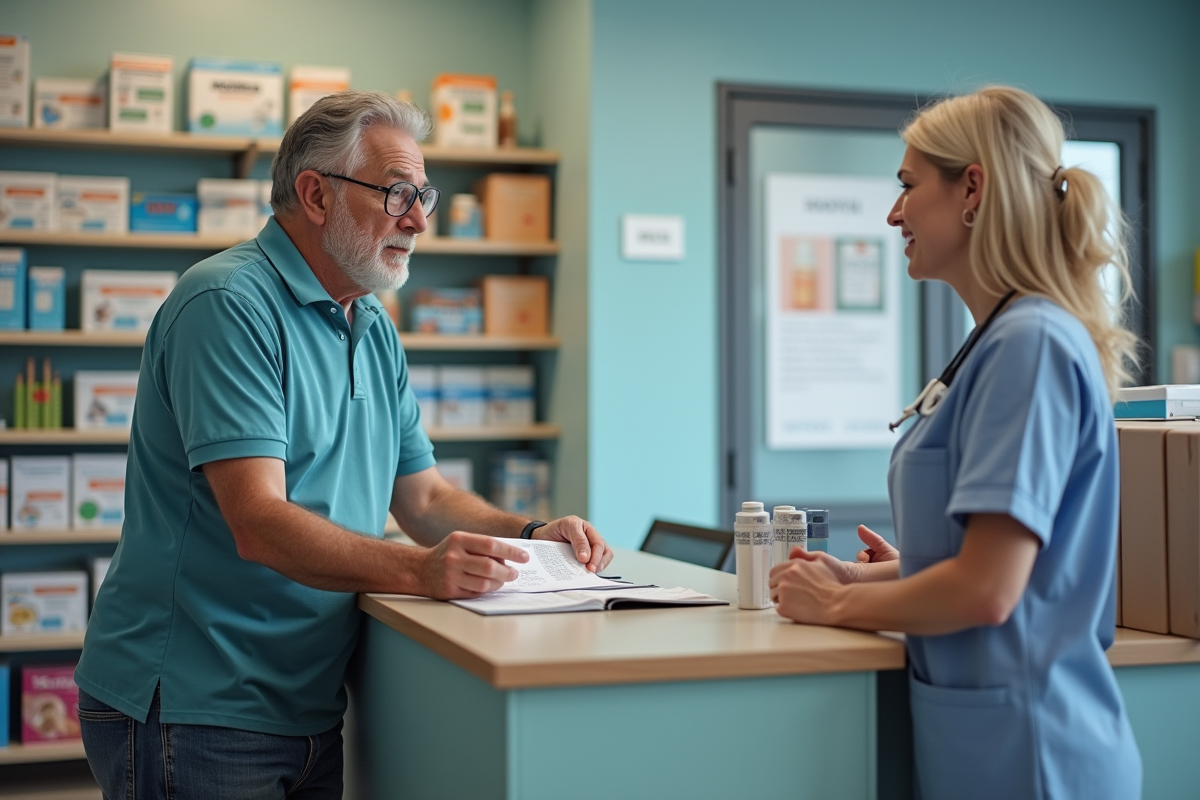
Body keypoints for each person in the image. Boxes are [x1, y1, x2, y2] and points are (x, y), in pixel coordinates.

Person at [75, 91, 612, 800]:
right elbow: (258, 523)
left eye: (424, 196)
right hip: (197, 701)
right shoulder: (229, 305)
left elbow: (424, 497)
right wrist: (422, 572)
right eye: (396, 194)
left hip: (305, 703)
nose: (418, 220)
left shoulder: (371, 323)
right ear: (315, 195)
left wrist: (530, 536)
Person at [770, 86, 1142, 800]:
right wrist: (864, 578)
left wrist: (837, 605)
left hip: (1037, 755)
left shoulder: (1029, 343)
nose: (893, 212)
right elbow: (998, 564)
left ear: (972, 187)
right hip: (987, 741)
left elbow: (990, 587)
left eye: (908, 186)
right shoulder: (999, 340)